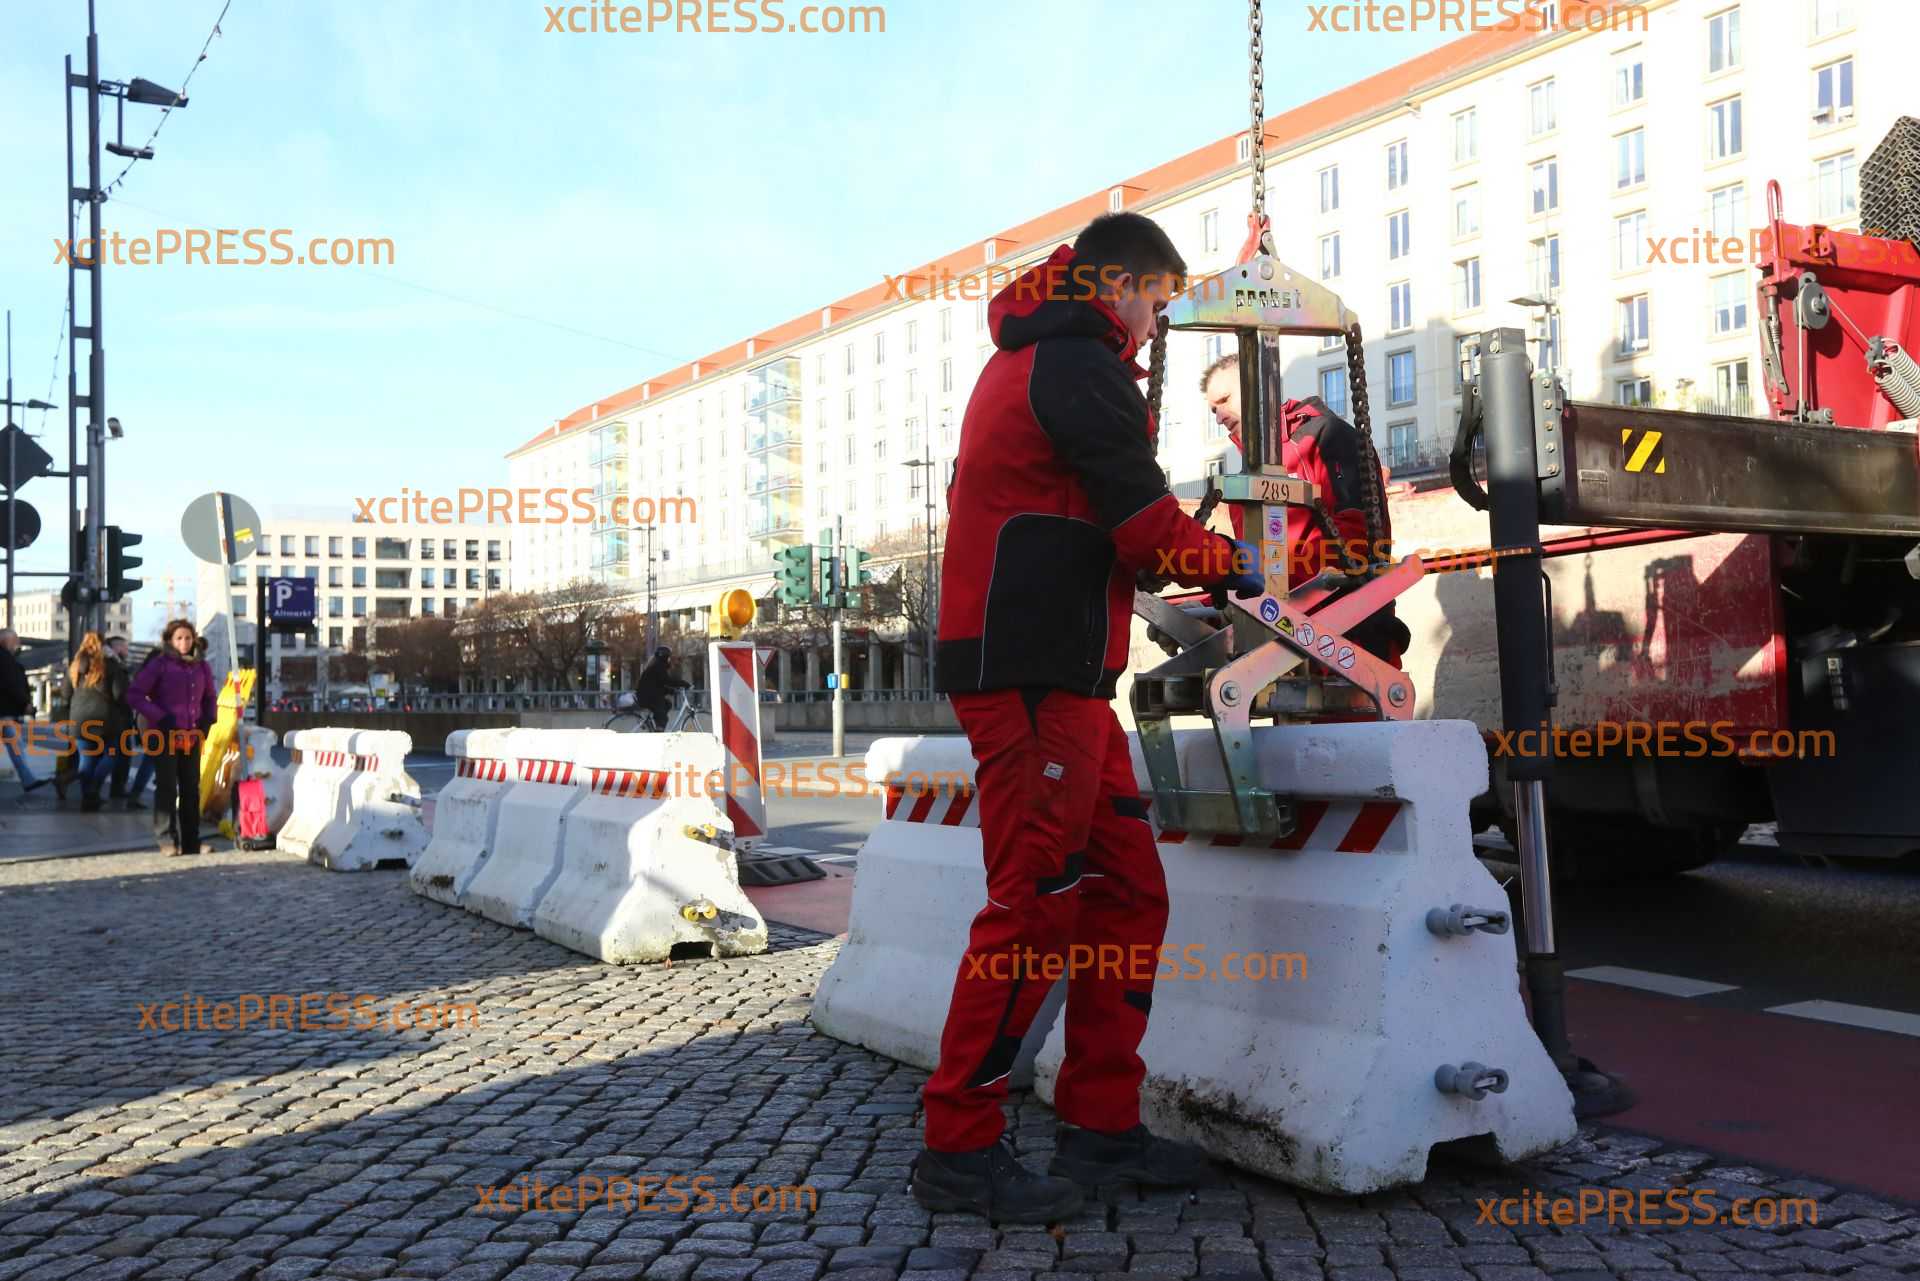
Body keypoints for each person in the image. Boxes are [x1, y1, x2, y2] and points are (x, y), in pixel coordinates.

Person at [916, 212, 1264, 1222]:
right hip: (1030, 675)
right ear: (1118, 284)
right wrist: (1248, 577)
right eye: (1157, 301)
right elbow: (1140, 517)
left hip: (1065, 679)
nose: (1157, 324)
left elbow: (1097, 523)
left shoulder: (1056, 355)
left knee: (1124, 894)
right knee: (1032, 909)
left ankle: (1101, 1131)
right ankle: (958, 1150)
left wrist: (1183, 578)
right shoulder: (1077, 359)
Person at [1199, 352, 1410, 664]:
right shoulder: (1246, 479)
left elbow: (1356, 541)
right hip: (1285, 637)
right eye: (1213, 410)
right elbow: (1252, 560)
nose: (1219, 417)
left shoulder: (1326, 437)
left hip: (1350, 637)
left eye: (1225, 400)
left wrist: (1264, 582)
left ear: (1256, 388)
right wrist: (1213, 607)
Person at [127, 619, 217, 855]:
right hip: (164, 734)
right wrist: (160, 717)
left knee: (191, 788)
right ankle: (166, 839)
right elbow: (135, 694)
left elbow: (210, 697)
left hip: (191, 736)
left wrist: (208, 720)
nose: (184, 643)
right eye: (179, 638)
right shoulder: (160, 664)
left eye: (188, 638)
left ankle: (191, 841)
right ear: (170, 640)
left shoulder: (202, 667)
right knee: (167, 787)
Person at [67, 632, 129, 812]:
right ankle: (93, 789)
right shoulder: (109, 664)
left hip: (79, 721)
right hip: (105, 722)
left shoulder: (75, 665)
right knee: (112, 754)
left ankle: (88, 798)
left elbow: (65, 692)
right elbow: (119, 694)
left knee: (86, 761)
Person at [0, 628, 50, 796]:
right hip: (4, 711)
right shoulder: (5, 659)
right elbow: (12, 684)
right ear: (6, 641)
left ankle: (28, 779)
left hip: (5, 711)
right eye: (15, 640)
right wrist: (25, 703)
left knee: (16, 745)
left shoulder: (6, 659)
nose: (18, 644)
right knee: (16, 745)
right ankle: (28, 780)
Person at [632, 646, 689, 729]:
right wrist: (684, 683)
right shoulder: (658, 667)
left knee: (667, 704)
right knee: (663, 717)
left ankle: (656, 722)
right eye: (669, 657)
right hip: (647, 698)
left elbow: (658, 685)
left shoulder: (656, 666)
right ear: (665, 657)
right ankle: (659, 732)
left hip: (648, 696)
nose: (669, 660)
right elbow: (667, 681)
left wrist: (671, 691)